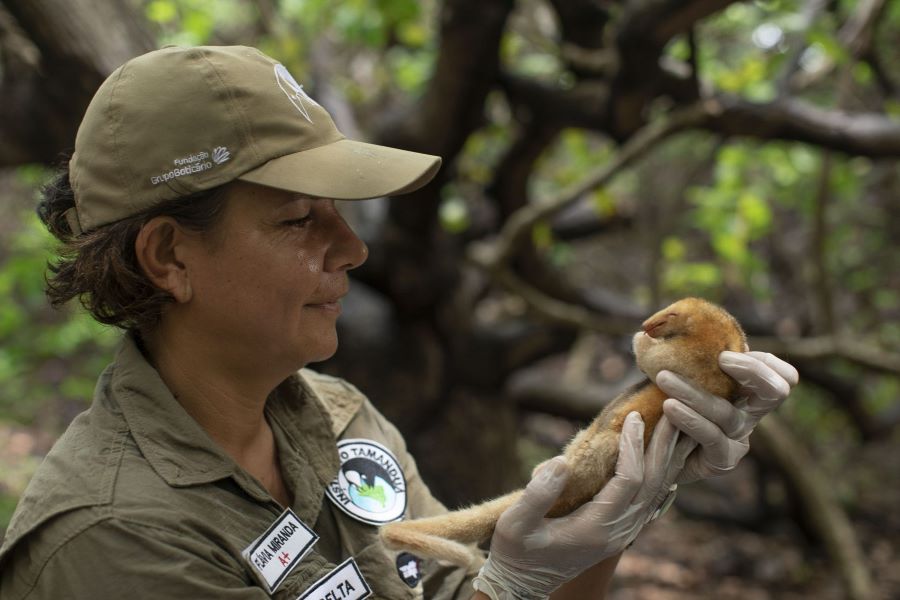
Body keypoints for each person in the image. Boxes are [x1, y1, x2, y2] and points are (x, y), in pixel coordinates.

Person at [0, 45, 798, 599]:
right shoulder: (114, 537)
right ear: (170, 256)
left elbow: (460, 590)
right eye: (298, 220)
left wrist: (615, 494)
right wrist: (518, 583)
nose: (351, 248)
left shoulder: (337, 418)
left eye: (339, 213)